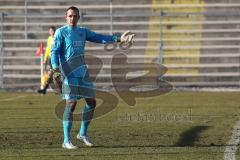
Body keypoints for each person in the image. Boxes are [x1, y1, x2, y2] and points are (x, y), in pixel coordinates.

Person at [50, 6, 134, 149]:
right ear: (66, 17)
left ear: (79, 17)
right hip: (68, 73)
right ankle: (66, 140)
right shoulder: (61, 32)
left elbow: (99, 37)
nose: (72, 18)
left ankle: (82, 134)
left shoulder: (83, 32)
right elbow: (54, 51)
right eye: (70, 16)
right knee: (71, 103)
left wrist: (119, 39)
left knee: (91, 103)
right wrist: (55, 69)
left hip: (82, 72)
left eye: (75, 16)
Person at [37, 26, 56, 94]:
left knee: (53, 74)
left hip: (56, 58)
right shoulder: (49, 38)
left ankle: (45, 89)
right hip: (51, 59)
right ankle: (45, 89)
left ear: (54, 31)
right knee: (51, 74)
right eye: (50, 31)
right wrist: (45, 58)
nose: (51, 32)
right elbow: (48, 49)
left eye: (52, 31)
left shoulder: (57, 38)